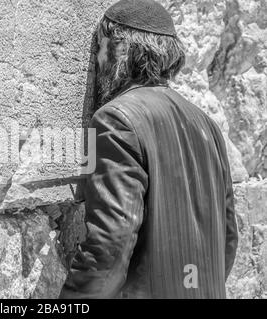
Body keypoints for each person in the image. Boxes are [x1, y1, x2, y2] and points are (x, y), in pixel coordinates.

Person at [59, 0, 238, 299]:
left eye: (100, 48)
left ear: (121, 50)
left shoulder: (116, 119)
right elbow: (228, 238)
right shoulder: (208, 125)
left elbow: (111, 245)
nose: (97, 60)